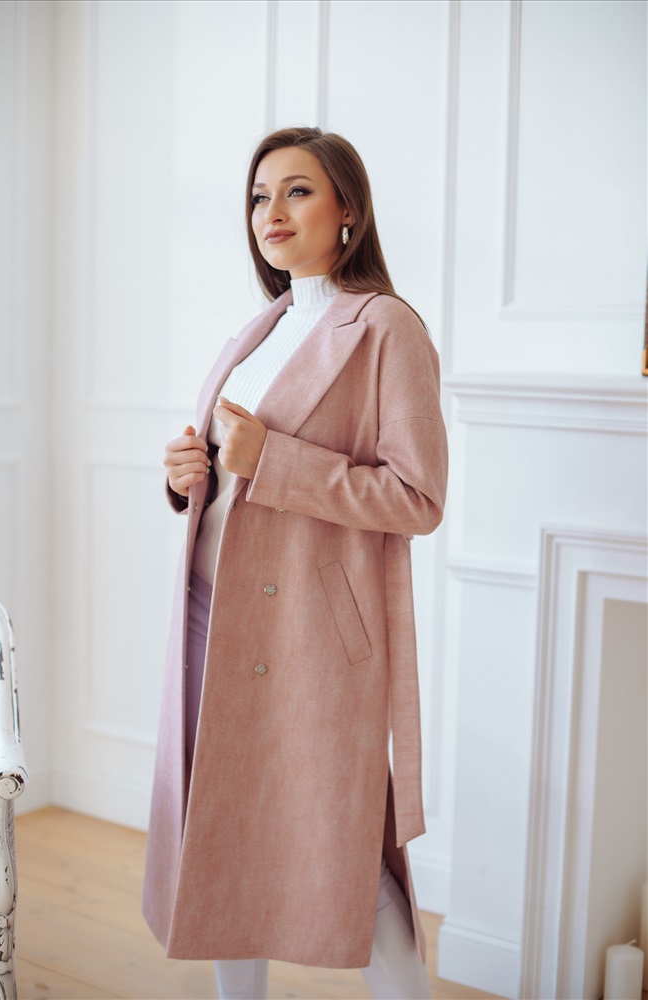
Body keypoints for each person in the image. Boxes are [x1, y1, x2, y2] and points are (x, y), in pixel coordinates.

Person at [142, 126, 448, 1000]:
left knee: (343, 849)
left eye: (297, 190)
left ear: (347, 208)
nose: (270, 212)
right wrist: (187, 476)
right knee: (221, 833)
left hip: (308, 635)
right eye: (257, 195)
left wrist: (271, 460)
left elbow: (417, 499)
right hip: (210, 617)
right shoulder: (262, 328)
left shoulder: (385, 327)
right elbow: (231, 475)